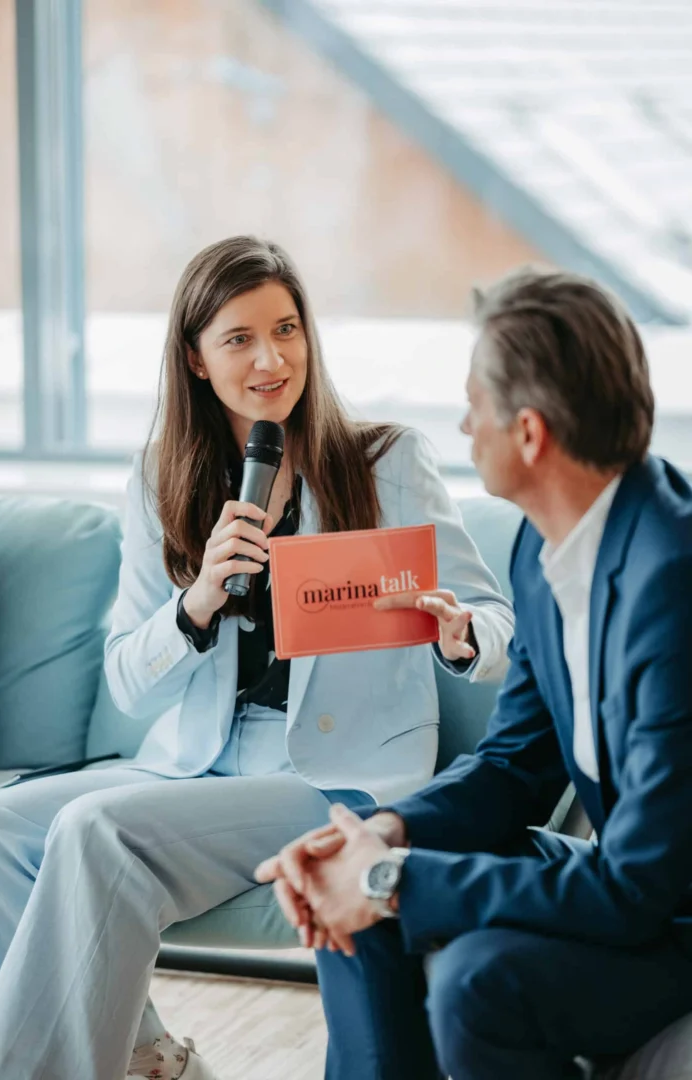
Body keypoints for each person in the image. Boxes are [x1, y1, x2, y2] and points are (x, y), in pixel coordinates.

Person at [0, 236, 513, 1080]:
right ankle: (150, 1062)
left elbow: (496, 623)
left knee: (96, 830)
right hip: (195, 765)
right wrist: (193, 605)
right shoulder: (161, 477)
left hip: (339, 774)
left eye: (288, 329)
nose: (272, 358)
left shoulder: (387, 461)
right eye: (239, 338)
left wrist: (461, 635)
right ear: (194, 358)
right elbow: (124, 678)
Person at [258, 266, 692, 1080]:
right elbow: (511, 767)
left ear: (529, 434)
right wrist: (381, 837)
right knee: (353, 897)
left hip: (671, 912)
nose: (463, 426)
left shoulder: (674, 581)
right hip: (626, 881)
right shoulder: (544, 546)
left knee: (475, 981)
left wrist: (394, 878)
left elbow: (640, 889)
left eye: (474, 407)